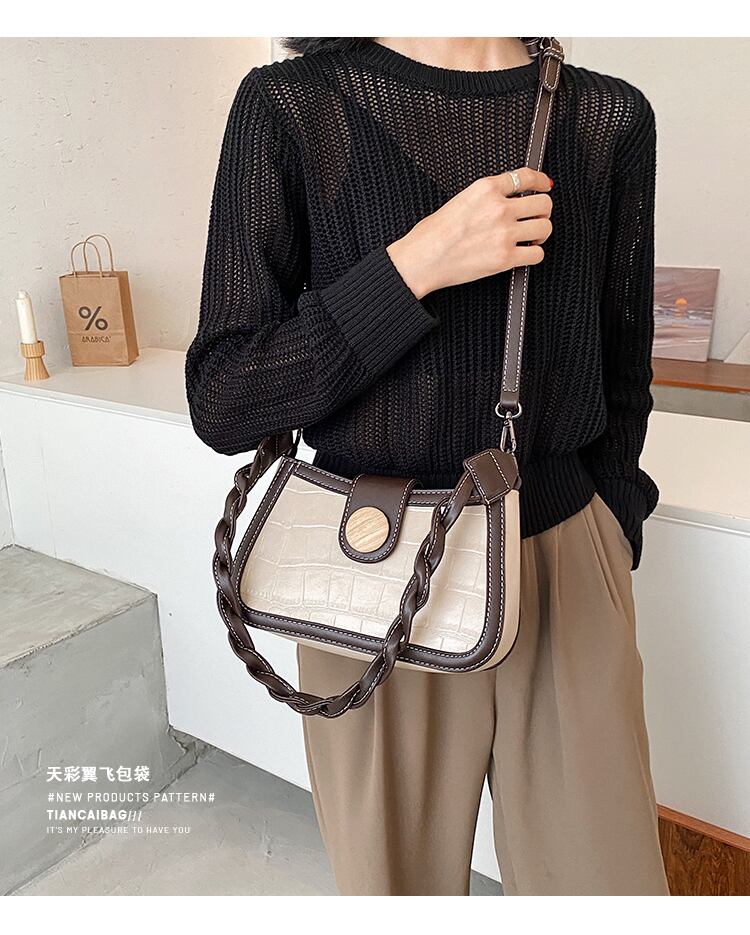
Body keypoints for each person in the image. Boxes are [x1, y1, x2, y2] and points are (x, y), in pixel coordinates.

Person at [185, 36, 670, 896]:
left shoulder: (606, 118)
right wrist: (416, 265)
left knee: (608, 887)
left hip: (563, 563)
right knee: (393, 891)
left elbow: (623, 366)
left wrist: (611, 533)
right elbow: (225, 397)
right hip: (370, 573)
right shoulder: (294, 109)